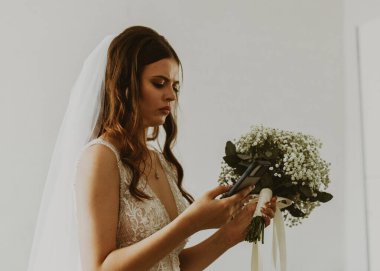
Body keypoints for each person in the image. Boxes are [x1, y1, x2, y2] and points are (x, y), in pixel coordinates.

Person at [28, 25, 276, 271]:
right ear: (125, 86)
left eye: (175, 86)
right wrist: (192, 222)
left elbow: (172, 264)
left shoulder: (161, 162)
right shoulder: (101, 157)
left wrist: (228, 236)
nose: (171, 96)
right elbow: (99, 268)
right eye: (159, 83)